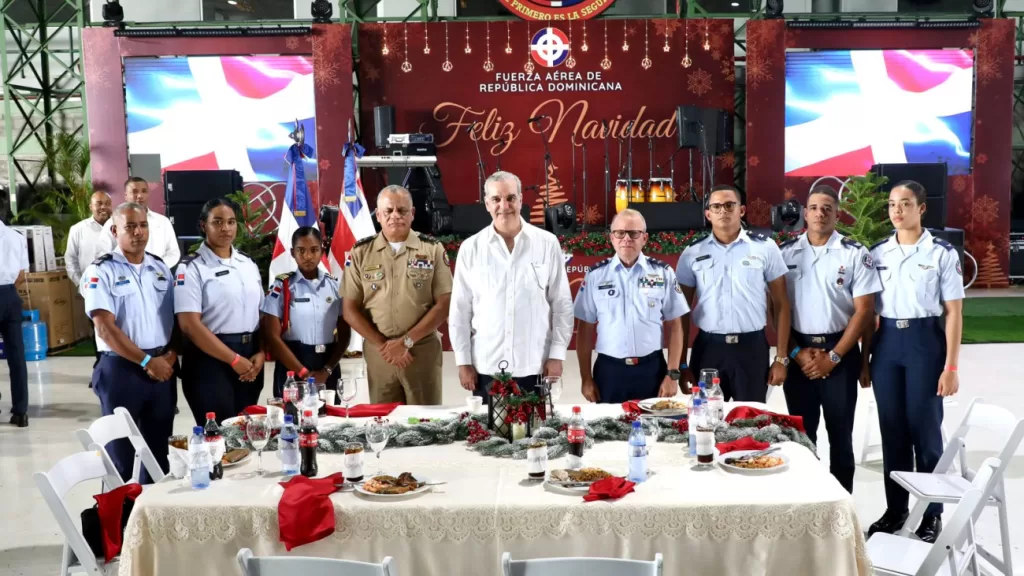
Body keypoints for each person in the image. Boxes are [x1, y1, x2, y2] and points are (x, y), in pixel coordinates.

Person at [864, 180, 964, 543]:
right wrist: (865, 359)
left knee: (925, 431)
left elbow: (954, 313)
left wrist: (950, 367)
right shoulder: (878, 253)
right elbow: (868, 313)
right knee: (892, 431)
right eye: (892, 204)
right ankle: (896, 510)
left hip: (924, 343)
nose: (897, 210)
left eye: (905, 203)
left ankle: (931, 514)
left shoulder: (941, 253)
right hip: (887, 344)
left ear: (921, 209)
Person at [779, 186, 882, 493]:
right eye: (813, 208)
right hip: (798, 352)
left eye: (827, 208)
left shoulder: (854, 253)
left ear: (837, 214)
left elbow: (864, 311)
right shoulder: (785, 253)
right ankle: (806, 501)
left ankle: (841, 505)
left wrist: (834, 356)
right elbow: (776, 309)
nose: (819, 213)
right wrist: (796, 353)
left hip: (841, 352)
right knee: (801, 437)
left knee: (840, 436)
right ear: (804, 213)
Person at [449, 172, 573, 401]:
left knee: (536, 425)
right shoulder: (471, 248)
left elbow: (562, 304)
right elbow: (459, 310)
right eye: (496, 199)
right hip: (486, 367)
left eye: (510, 198)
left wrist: (557, 355)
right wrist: (463, 361)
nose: (504, 206)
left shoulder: (547, 244)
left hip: (535, 365)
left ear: (520, 200)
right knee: (486, 426)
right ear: (487, 203)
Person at [83, 203, 178, 483]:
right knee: (121, 456)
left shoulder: (160, 267)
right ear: (115, 231)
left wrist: (171, 355)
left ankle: (151, 508)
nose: (138, 232)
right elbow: (105, 329)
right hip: (122, 370)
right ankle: (121, 509)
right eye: (131, 227)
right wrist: (147, 361)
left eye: (143, 225)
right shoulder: (101, 270)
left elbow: (176, 317)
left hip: (162, 369)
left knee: (159, 454)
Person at [675, 184, 791, 402]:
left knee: (750, 417)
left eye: (730, 205)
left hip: (751, 348)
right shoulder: (692, 253)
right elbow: (681, 312)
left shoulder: (765, 248)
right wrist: (681, 364)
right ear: (708, 214)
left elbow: (781, 304)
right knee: (706, 417)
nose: (723, 211)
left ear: (742, 210)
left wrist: (781, 358)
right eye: (716, 206)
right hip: (708, 350)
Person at [342, 185, 452, 405]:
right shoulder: (361, 252)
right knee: (383, 420)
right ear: (378, 215)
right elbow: (349, 309)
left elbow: (445, 303)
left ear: (412, 213)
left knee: (425, 420)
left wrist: (406, 341)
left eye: (402, 210)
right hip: (380, 354)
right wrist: (385, 346)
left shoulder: (432, 249)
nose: (395, 216)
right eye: (388, 210)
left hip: (421, 351)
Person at [574, 209, 689, 403]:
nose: (626, 239)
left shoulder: (663, 273)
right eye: (620, 233)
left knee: (655, 422)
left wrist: (672, 374)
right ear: (612, 238)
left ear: (644, 238)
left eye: (634, 233)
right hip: (609, 371)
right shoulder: (595, 276)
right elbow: (584, 330)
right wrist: (586, 378)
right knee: (608, 422)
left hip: (652, 370)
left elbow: (676, 326)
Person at [175, 198, 265, 424]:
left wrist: (262, 351)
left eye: (231, 222)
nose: (226, 228)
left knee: (247, 430)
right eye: (217, 222)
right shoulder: (192, 267)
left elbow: (261, 313)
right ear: (204, 225)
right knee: (218, 435)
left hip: (250, 357)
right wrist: (233, 360)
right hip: (210, 360)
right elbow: (189, 325)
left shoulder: (247, 263)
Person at [261, 226, 351, 398]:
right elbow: (272, 336)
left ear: (322, 250)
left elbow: (345, 333)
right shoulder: (282, 287)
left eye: (314, 250)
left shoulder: (335, 286)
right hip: (292, 364)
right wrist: (302, 372)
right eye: (301, 250)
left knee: (330, 413)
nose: (308, 256)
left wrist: (327, 370)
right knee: (292, 413)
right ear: (292, 253)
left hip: (327, 365)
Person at [97, 177, 180, 268]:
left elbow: (173, 252)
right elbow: (103, 253)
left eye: (144, 191)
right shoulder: (113, 223)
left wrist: (157, 267)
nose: (140, 196)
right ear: (126, 195)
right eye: (134, 192)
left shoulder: (163, 221)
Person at [0, 216, 29, 427]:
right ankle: (21, 412)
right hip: (10, 297)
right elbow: (21, 274)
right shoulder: (16, 237)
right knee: (17, 356)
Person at [65, 191, 113, 285]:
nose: (103, 207)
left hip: (118, 285)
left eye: (107, 204)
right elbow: (70, 259)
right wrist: (80, 284)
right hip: (90, 285)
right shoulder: (78, 229)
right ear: (91, 207)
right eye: (99, 204)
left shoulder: (120, 228)